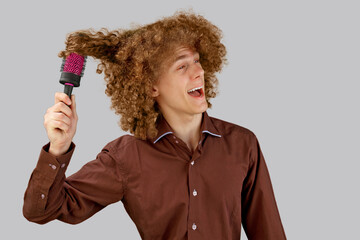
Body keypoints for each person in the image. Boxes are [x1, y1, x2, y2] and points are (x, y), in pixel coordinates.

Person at [23, 10, 287, 240]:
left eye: (197, 61)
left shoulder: (242, 144)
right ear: (151, 87)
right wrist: (58, 149)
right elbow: (42, 210)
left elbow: (269, 234)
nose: (199, 72)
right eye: (182, 66)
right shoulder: (126, 157)